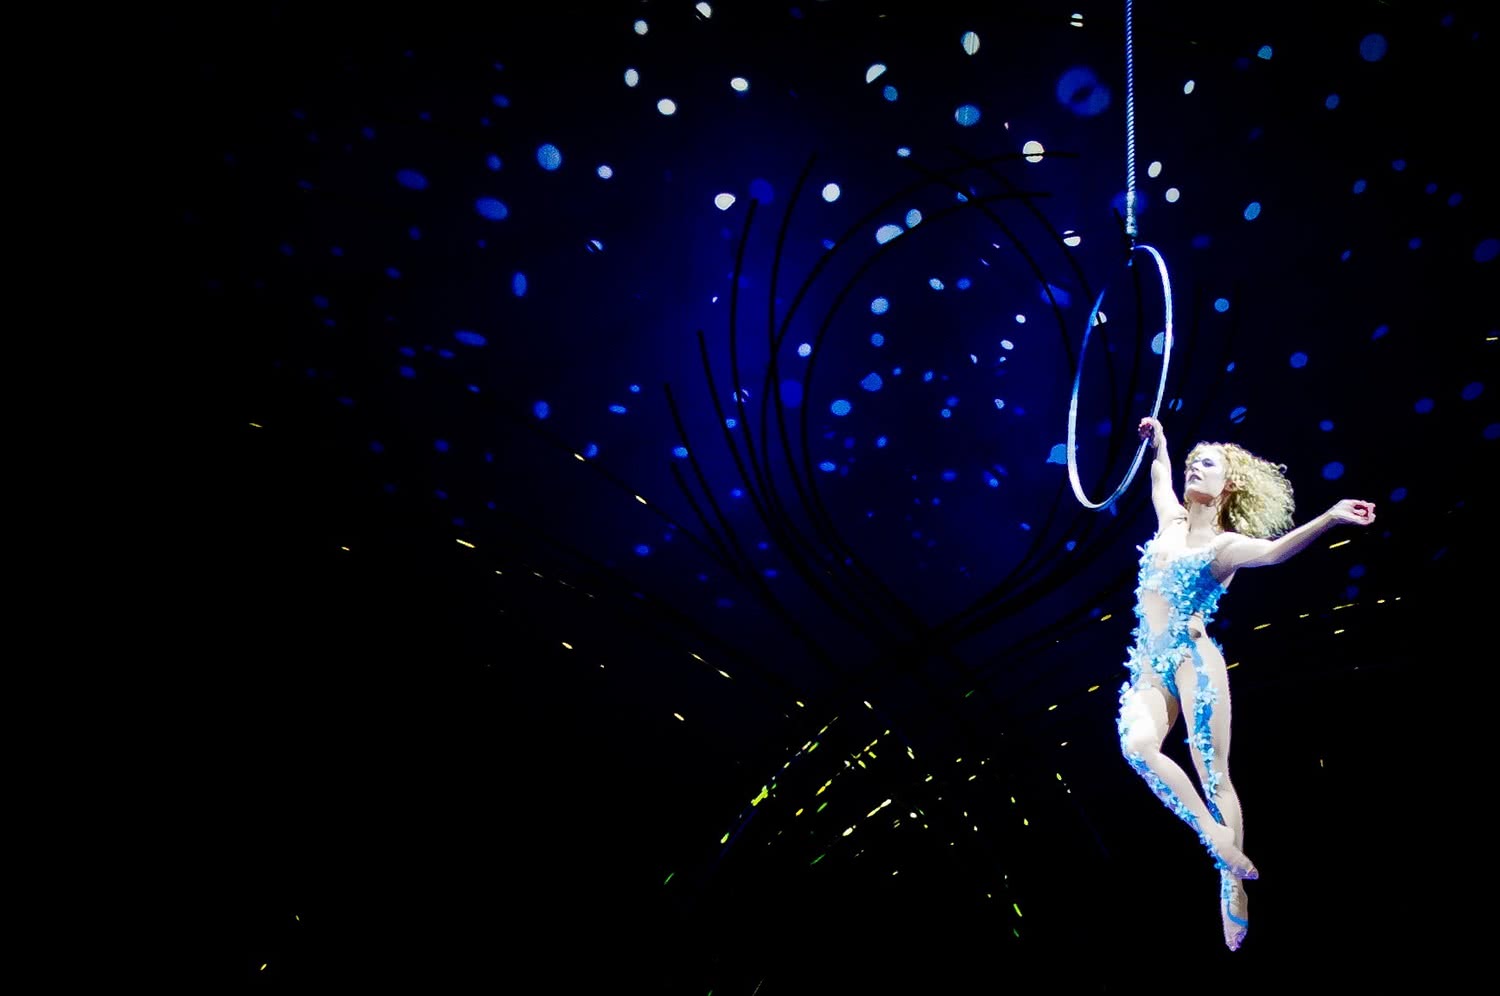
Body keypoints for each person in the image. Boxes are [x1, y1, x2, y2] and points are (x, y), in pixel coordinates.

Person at [1116, 416, 1376, 950]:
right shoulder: (1169, 521)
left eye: (1206, 464)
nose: (1193, 467)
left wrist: (1329, 517)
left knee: (1214, 775)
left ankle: (1230, 883)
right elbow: (1160, 474)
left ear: (1228, 483)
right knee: (1137, 746)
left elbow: (1275, 553)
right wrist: (1160, 442)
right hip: (1148, 666)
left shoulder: (1226, 546)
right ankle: (1216, 840)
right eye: (1193, 462)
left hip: (1192, 660)